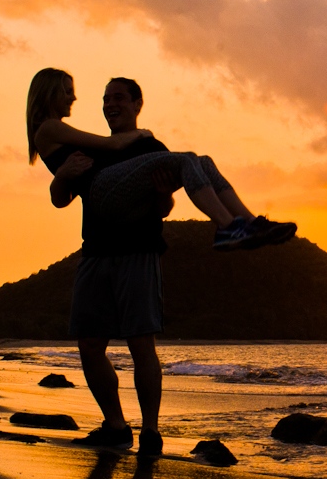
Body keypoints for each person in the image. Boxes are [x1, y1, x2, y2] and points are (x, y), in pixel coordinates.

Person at [26, 69, 295, 454]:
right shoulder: (73, 134)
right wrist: (129, 142)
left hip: (137, 246)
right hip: (99, 244)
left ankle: (245, 224)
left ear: (137, 104)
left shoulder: (110, 144)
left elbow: (165, 205)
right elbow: (68, 189)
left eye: (118, 98)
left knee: (198, 160)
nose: (103, 104)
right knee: (90, 342)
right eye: (104, 99)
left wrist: (158, 192)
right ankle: (116, 425)